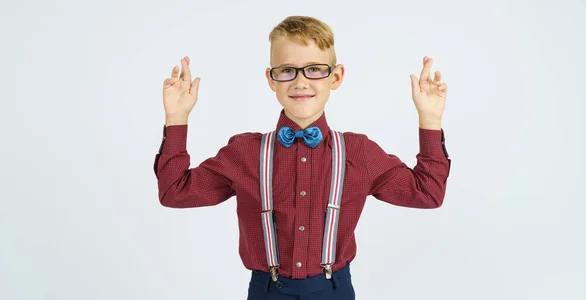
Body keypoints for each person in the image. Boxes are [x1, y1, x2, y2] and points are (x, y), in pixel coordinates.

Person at [154, 15, 451, 300]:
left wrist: (430, 118)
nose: (300, 81)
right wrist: (177, 117)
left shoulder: (359, 153)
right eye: (286, 70)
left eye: (314, 69)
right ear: (271, 80)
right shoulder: (245, 153)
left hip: (334, 290)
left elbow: (427, 194)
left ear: (336, 76)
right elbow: (175, 193)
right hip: (266, 291)